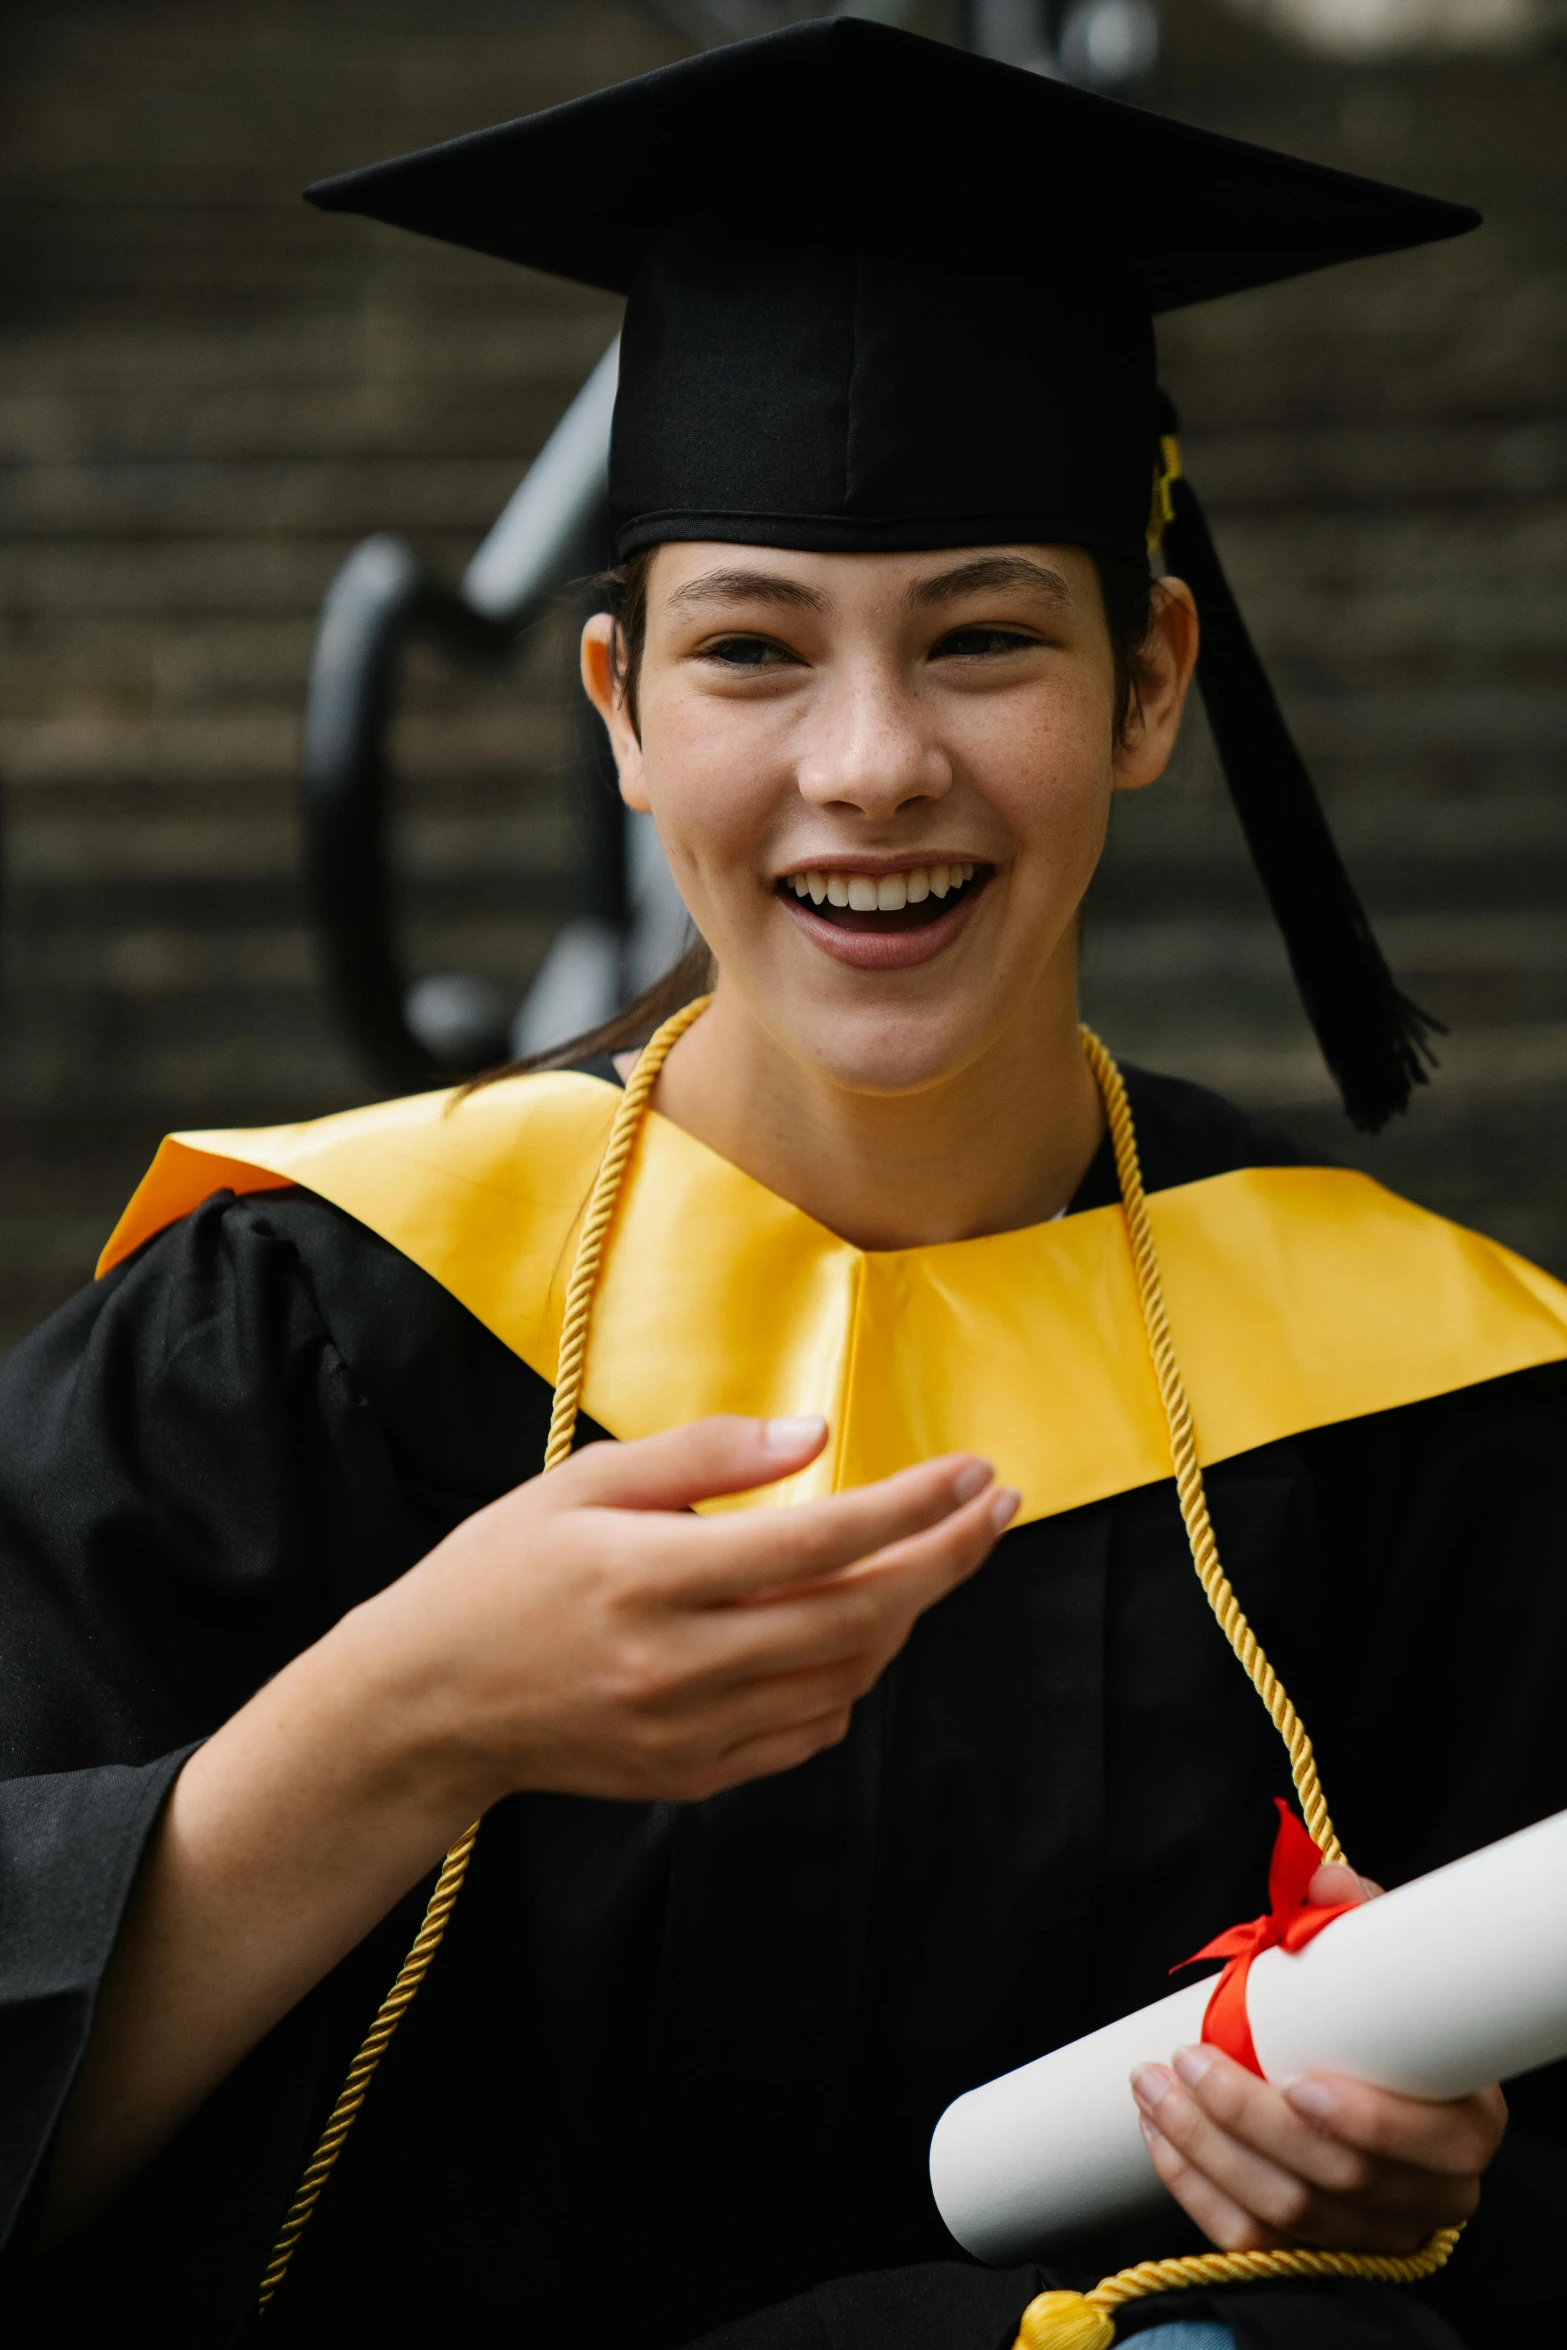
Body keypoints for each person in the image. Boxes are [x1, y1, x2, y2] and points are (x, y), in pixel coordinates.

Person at [0, 19, 1562, 2350]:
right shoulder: (293, 1335)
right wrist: (404, 1718)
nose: (867, 763)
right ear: (617, 708)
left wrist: (1431, 2198)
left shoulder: (1423, 1404)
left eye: (985, 638)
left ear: (1150, 686)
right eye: (750, 649)